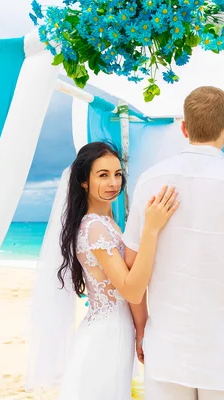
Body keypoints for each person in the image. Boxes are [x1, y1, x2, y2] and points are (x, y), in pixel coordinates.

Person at [123, 86, 224, 400]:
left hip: (166, 349)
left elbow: (132, 264)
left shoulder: (150, 181)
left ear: (184, 127)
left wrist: (141, 330)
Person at [57, 141, 179, 399]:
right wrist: (151, 229)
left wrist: (141, 329)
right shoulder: (94, 227)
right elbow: (131, 289)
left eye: (117, 174)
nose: (113, 182)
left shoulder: (108, 223)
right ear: (83, 181)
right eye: (103, 175)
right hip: (106, 338)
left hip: (115, 331)